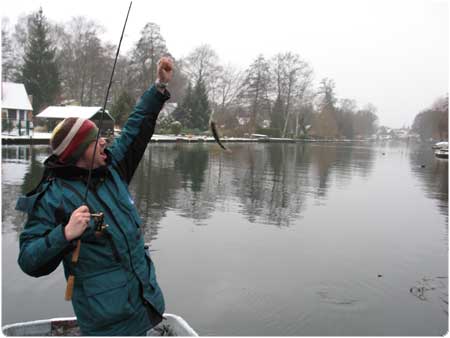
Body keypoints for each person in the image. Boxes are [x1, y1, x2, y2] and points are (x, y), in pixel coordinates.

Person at [16, 57, 173, 336]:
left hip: (144, 303)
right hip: (107, 324)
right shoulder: (54, 198)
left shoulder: (112, 168)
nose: (104, 141)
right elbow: (28, 259)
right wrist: (64, 234)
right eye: (94, 140)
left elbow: (136, 127)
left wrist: (158, 87)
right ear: (77, 153)